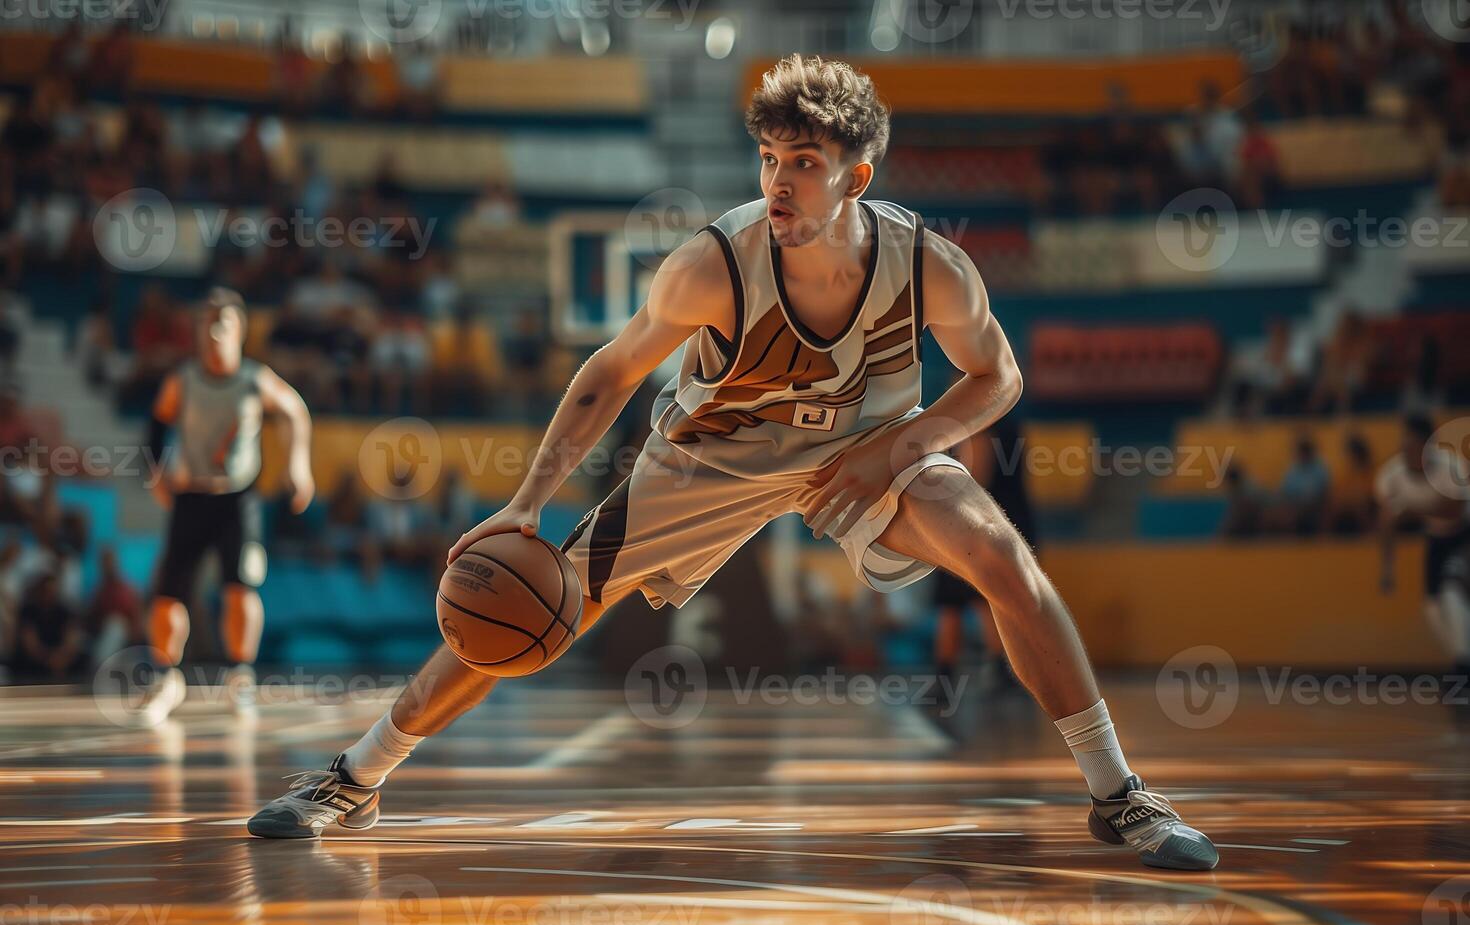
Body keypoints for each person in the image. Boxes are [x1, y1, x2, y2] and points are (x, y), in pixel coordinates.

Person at [248, 55, 1217, 871]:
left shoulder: (930, 266)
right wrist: (527, 502)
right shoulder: (713, 262)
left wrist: (903, 444)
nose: (780, 182)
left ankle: (1118, 793)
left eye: (804, 161)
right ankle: (355, 777)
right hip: (708, 462)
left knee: (1003, 557)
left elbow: (997, 375)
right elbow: (612, 370)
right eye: (768, 159)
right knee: (537, 598)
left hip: (861, 449)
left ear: (858, 177)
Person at [139, 288, 315, 725]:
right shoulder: (184, 379)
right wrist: (157, 470)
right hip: (191, 496)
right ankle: (166, 677)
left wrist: (298, 464)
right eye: (207, 322)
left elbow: (295, 411)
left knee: (240, 587)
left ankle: (240, 677)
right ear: (198, 331)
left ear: (240, 331)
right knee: (168, 594)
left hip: (238, 499)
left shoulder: (255, 379)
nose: (215, 331)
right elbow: (158, 421)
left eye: (225, 323)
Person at [931, 410, 1037, 694]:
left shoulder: (980, 421)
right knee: (973, 600)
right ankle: (994, 671)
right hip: (1005, 524)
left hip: (980, 526)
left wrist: (944, 509)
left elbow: (975, 478)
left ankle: (980, 672)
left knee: (974, 598)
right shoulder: (1008, 420)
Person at [1377, 413, 1470, 671]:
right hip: (1436, 539)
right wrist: (1387, 568)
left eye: (1414, 442)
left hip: (1464, 534)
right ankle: (1461, 660)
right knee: (1432, 606)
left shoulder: (1451, 465)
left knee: (1452, 591)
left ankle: (1462, 667)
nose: (1407, 448)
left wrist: (1413, 511)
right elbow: (1387, 524)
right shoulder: (1392, 475)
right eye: (1405, 443)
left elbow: (1454, 511)